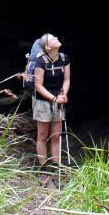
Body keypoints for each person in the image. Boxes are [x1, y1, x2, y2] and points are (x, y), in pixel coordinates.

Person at [32, 32, 70, 185]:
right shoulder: (41, 62)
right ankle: (43, 170)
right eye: (53, 38)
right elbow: (38, 85)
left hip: (58, 100)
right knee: (42, 135)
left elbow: (66, 80)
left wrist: (63, 95)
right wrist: (54, 98)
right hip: (42, 101)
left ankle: (56, 170)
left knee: (55, 136)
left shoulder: (64, 58)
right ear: (47, 47)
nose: (57, 38)